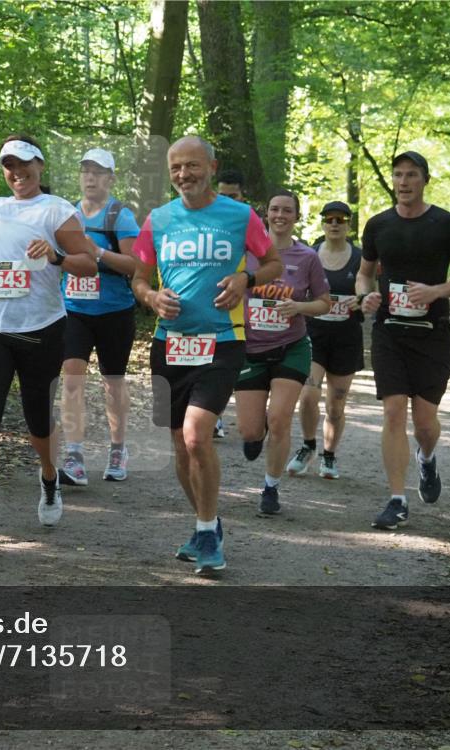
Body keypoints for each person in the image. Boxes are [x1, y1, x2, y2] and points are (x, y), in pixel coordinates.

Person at [131, 136, 281, 576]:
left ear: (212, 167)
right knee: (180, 444)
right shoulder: (157, 219)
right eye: (176, 167)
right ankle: (206, 524)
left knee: (198, 435)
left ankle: (208, 532)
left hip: (222, 339)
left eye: (192, 166)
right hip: (170, 343)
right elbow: (140, 278)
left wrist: (245, 281)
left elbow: (271, 262)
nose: (183, 175)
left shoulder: (240, 215)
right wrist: (152, 297)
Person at [0, 135, 97, 544]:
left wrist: (57, 257)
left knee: (37, 422)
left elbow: (88, 265)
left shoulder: (57, 210)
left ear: (40, 166)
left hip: (42, 329)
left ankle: (49, 477)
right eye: (9, 165)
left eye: (24, 164)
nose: (16, 172)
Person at [358, 151, 450, 530]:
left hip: (432, 335)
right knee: (393, 411)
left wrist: (435, 291)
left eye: (411, 175)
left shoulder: (445, 225)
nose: (404, 182)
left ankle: (427, 459)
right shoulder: (378, 225)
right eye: (398, 175)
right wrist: (366, 297)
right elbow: (364, 275)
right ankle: (397, 500)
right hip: (389, 332)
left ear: (425, 179)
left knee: (425, 424)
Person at [236, 190, 331, 515]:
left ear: (296, 216)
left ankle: (270, 487)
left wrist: (299, 306)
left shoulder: (307, 258)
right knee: (250, 429)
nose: (280, 215)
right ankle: (254, 433)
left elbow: (324, 302)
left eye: (287, 210)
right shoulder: (246, 253)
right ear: (266, 214)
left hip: (291, 348)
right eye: (274, 209)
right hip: (250, 348)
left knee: (279, 419)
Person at [58, 149, 140, 485]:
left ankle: (118, 448)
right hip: (73, 310)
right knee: (72, 379)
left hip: (114, 312)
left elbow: (135, 265)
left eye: (99, 172)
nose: (91, 178)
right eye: (86, 171)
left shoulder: (120, 216)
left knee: (113, 383)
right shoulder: (66, 214)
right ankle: (74, 455)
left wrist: (99, 253)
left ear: (111, 178)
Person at [287, 201, 365, 480]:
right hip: (313, 333)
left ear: (348, 225)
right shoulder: (310, 255)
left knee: (336, 405)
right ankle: (308, 446)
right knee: (308, 394)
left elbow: (369, 290)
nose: (334, 224)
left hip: (346, 337)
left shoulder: (360, 257)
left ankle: (329, 456)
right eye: (329, 219)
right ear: (322, 223)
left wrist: (363, 301)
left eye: (340, 220)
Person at [210, 168, 248, 439]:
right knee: (213, 364)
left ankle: (253, 419)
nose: (228, 201)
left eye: (233, 196)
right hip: (218, 305)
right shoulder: (207, 220)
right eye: (223, 195)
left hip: (251, 308)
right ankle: (215, 416)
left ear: (243, 196)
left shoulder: (251, 222)